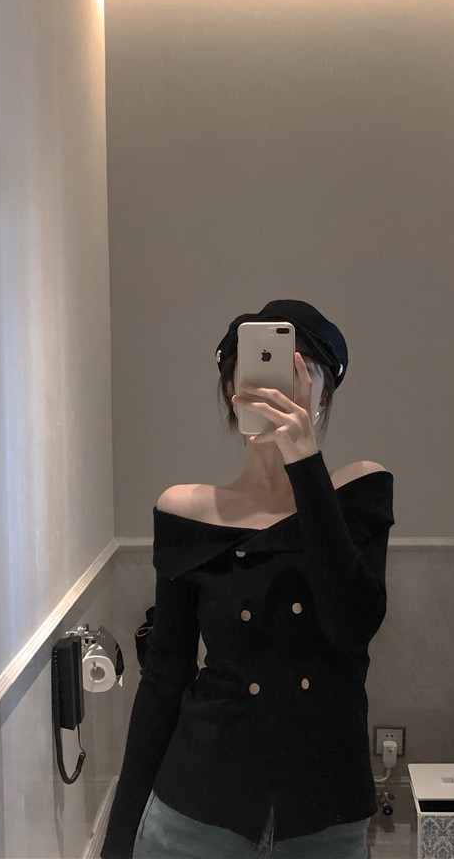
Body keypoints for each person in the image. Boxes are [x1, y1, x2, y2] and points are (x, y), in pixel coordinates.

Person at [100, 300, 394, 859]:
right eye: (258, 366)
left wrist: (304, 462)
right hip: (196, 810)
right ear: (232, 392)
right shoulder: (187, 511)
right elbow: (164, 680)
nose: (273, 386)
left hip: (325, 810)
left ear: (324, 395)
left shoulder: (360, 491)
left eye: (298, 368)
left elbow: (352, 625)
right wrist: (117, 844)